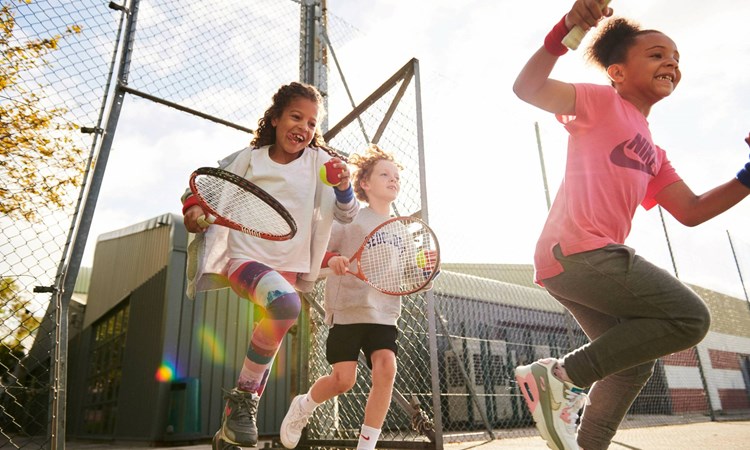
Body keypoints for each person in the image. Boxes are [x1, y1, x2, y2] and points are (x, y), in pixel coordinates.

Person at [511, 1, 750, 449]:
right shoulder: (601, 102)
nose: (671, 63)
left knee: (632, 364)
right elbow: (528, 87)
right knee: (690, 317)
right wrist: (568, 29)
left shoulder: (654, 153)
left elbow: (692, 210)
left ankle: (588, 444)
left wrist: (748, 175)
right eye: (657, 54)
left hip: (575, 264)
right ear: (617, 72)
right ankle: (560, 377)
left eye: (676, 59)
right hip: (579, 251)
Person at [180, 82, 360, 450]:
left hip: (288, 270)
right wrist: (195, 210)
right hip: (243, 260)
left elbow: (346, 213)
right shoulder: (251, 159)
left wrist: (343, 186)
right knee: (285, 306)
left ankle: (231, 428)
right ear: (275, 118)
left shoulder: (319, 164)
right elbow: (202, 187)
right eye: (296, 117)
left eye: (312, 123)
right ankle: (243, 400)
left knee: (276, 320)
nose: (304, 128)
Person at [279, 144, 421, 450]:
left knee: (387, 367)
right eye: (385, 174)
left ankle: (366, 446)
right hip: (347, 311)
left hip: (384, 314)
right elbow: (320, 253)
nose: (393, 179)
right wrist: (332, 260)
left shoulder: (401, 230)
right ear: (365, 184)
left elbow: (411, 274)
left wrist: (425, 272)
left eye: (396, 176)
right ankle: (304, 404)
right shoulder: (350, 219)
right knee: (344, 380)